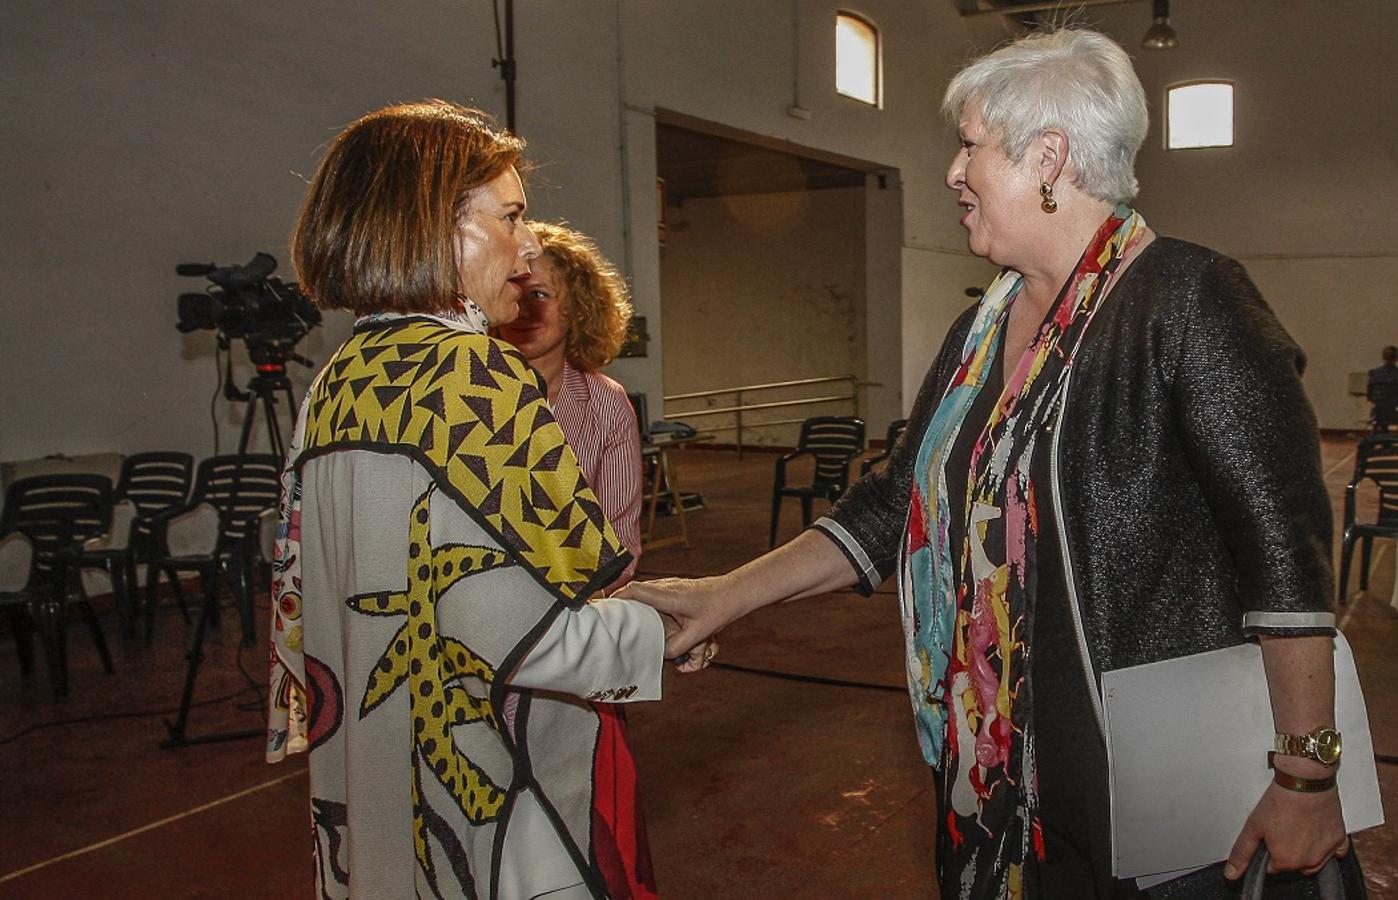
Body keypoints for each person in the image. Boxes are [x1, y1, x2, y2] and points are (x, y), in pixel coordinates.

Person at [620, 29, 1363, 900]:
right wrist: (717, 598)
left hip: (1163, 793)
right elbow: (895, 506)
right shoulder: (982, 330)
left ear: (1048, 156)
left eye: (969, 144)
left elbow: (1285, 556)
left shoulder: (1191, 301)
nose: (952, 172)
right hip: (1000, 781)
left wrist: (1307, 775)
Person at [265, 100, 667, 900]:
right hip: (485, 784)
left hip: (375, 766)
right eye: (510, 216)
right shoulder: (471, 374)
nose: (527, 246)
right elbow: (538, 633)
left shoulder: (338, 377)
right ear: (436, 227)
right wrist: (670, 627)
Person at [497, 222, 643, 592]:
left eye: (539, 295)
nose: (522, 311)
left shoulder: (607, 405)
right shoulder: (461, 389)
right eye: (513, 293)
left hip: (578, 606)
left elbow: (619, 541)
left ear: (576, 307)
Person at [1367, 345, 1398, 431]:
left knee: (1383, 406)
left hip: (1378, 413)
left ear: (1383, 357)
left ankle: (1379, 435)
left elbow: (1370, 397)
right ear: (1396, 358)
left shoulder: (1374, 374)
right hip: (1395, 413)